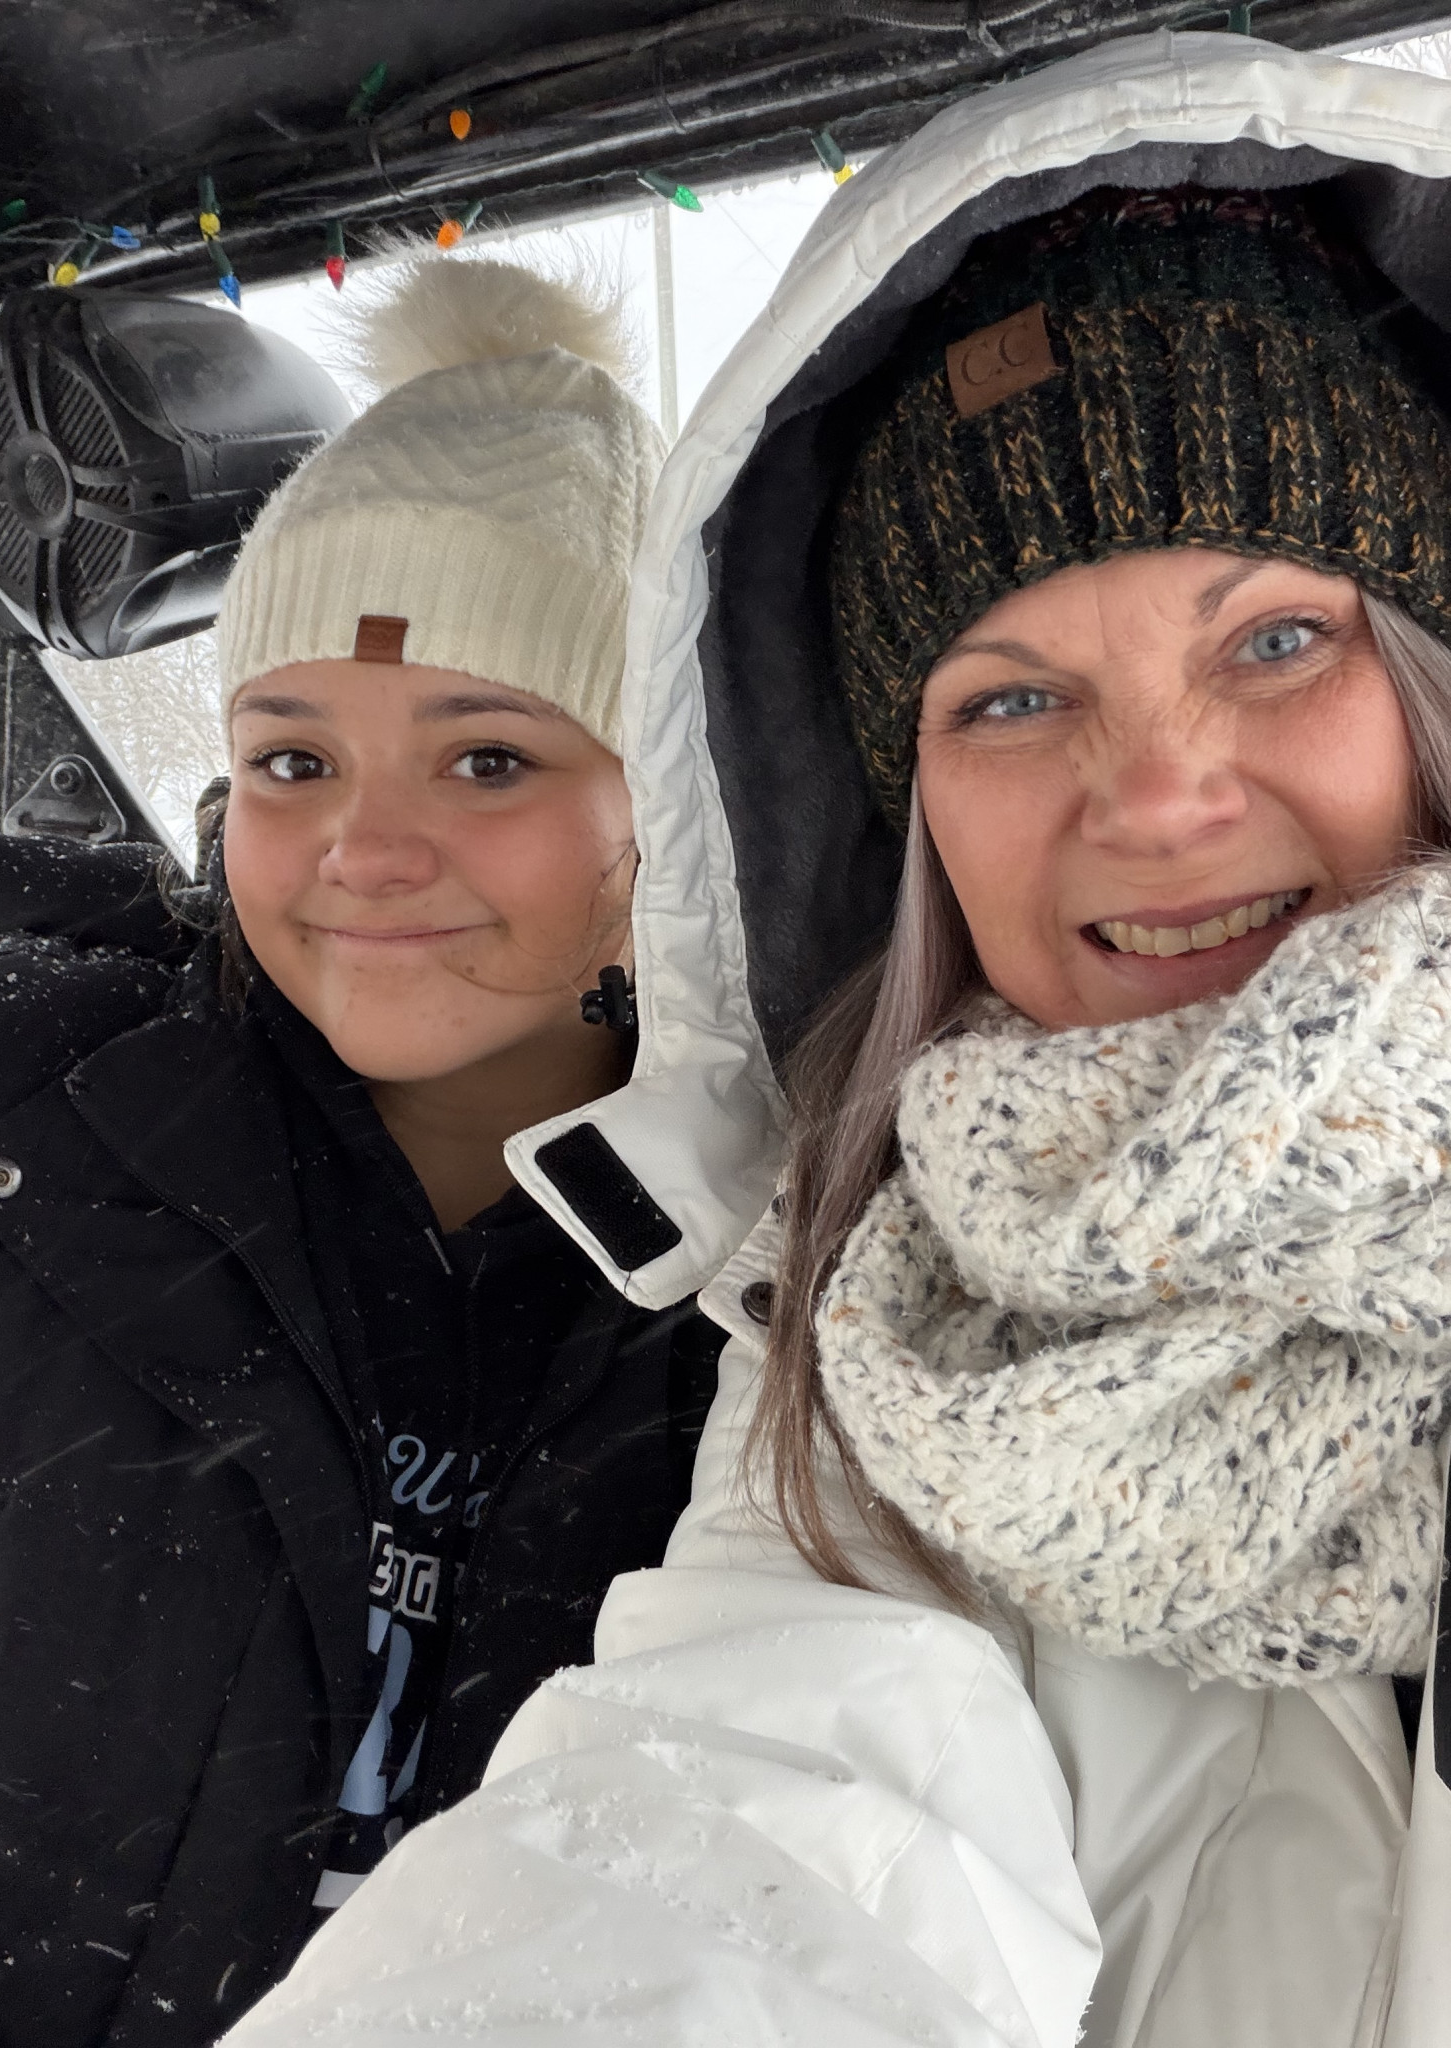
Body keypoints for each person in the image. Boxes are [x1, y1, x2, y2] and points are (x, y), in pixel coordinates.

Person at [216, 31, 1451, 2048]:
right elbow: (731, 1841)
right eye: (1010, 699)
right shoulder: (864, 1355)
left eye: (1278, 640)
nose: (1158, 798)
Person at [0, 251, 724, 2048]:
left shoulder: (783, 1261)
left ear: (668, 805)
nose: (363, 850)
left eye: (488, 760)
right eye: (294, 763)